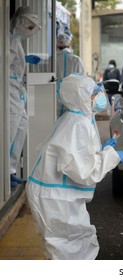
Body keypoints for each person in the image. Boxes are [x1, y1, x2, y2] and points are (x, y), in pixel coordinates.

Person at [26, 74, 123, 260]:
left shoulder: (77, 117)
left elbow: (80, 156)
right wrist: (111, 157)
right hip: (56, 199)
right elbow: (83, 171)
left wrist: (103, 151)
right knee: (67, 248)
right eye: (94, 93)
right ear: (80, 97)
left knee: (77, 244)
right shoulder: (77, 123)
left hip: (57, 195)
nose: (99, 97)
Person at [9, 6, 42, 189]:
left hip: (16, 90)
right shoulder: (6, 37)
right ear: (21, 21)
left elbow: (14, 60)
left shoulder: (14, 37)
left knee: (21, 127)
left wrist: (25, 59)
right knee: (10, 130)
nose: (30, 30)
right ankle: (5, 173)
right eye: (29, 26)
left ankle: (10, 170)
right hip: (8, 91)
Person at [56, 32, 86, 117]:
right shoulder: (76, 60)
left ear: (57, 45)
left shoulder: (51, 60)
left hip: (54, 100)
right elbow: (82, 81)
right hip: (71, 101)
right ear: (69, 45)